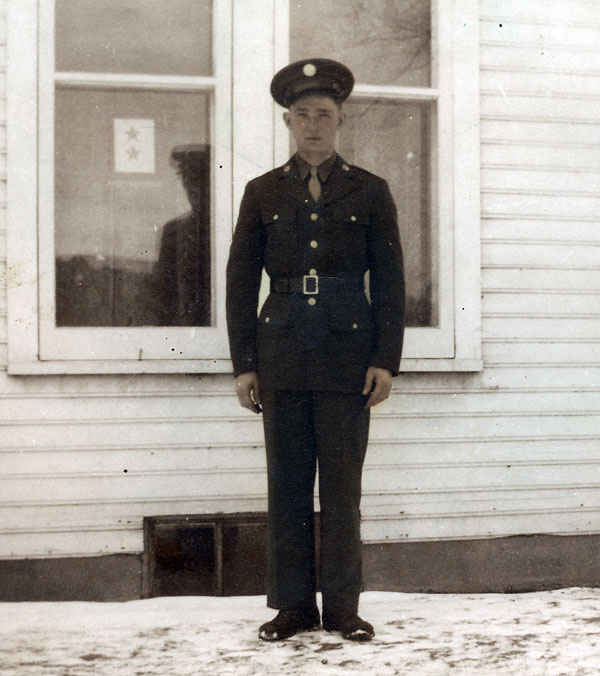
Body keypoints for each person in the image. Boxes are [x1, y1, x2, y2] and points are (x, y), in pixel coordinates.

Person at [226, 58, 405, 642]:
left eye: (323, 114)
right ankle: (294, 607)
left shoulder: (370, 191)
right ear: (287, 122)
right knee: (288, 483)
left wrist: (385, 359)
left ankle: (344, 608)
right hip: (280, 354)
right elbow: (238, 281)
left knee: (342, 488)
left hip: (348, 357)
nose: (312, 125)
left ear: (340, 119)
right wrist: (244, 364)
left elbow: (392, 282)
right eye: (301, 114)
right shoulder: (261, 192)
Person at [151, 144, 211, 326]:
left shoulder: (229, 228)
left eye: (199, 180)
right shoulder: (174, 231)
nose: (193, 189)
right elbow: (164, 296)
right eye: (187, 180)